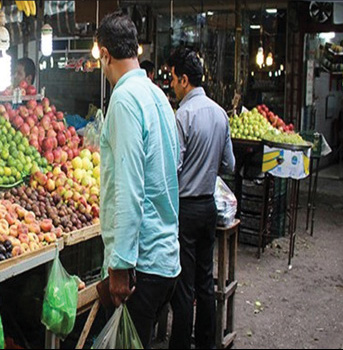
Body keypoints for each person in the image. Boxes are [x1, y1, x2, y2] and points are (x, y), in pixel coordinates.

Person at [97, 11, 181, 349]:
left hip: (138, 268)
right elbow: (173, 166)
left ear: (105, 54)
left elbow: (130, 187)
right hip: (165, 258)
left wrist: (119, 264)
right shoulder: (157, 95)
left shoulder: (124, 99)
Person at [168, 47, 235, 350]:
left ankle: (180, 344)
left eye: (172, 79)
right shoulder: (220, 114)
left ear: (184, 79)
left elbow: (173, 165)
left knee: (184, 288)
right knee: (205, 282)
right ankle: (207, 343)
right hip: (209, 206)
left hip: (186, 209)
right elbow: (229, 165)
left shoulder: (184, 115)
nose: (171, 85)